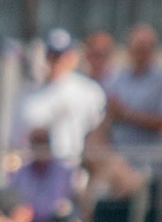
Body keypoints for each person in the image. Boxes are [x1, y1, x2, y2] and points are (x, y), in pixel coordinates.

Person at [16, 29, 106, 168]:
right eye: (52, 55)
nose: (57, 61)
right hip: (34, 170)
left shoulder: (89, 91)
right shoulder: (29, 93)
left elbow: (97, 134)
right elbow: (16, 138)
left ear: (74, 57)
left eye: (62, 55)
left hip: (72, 167)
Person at [103, 24, 162, 160]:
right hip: (117, 154)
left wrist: (127, 114)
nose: (140, 53)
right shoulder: (117, 78)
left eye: (144, 49)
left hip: (148, 157)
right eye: (136, 48)